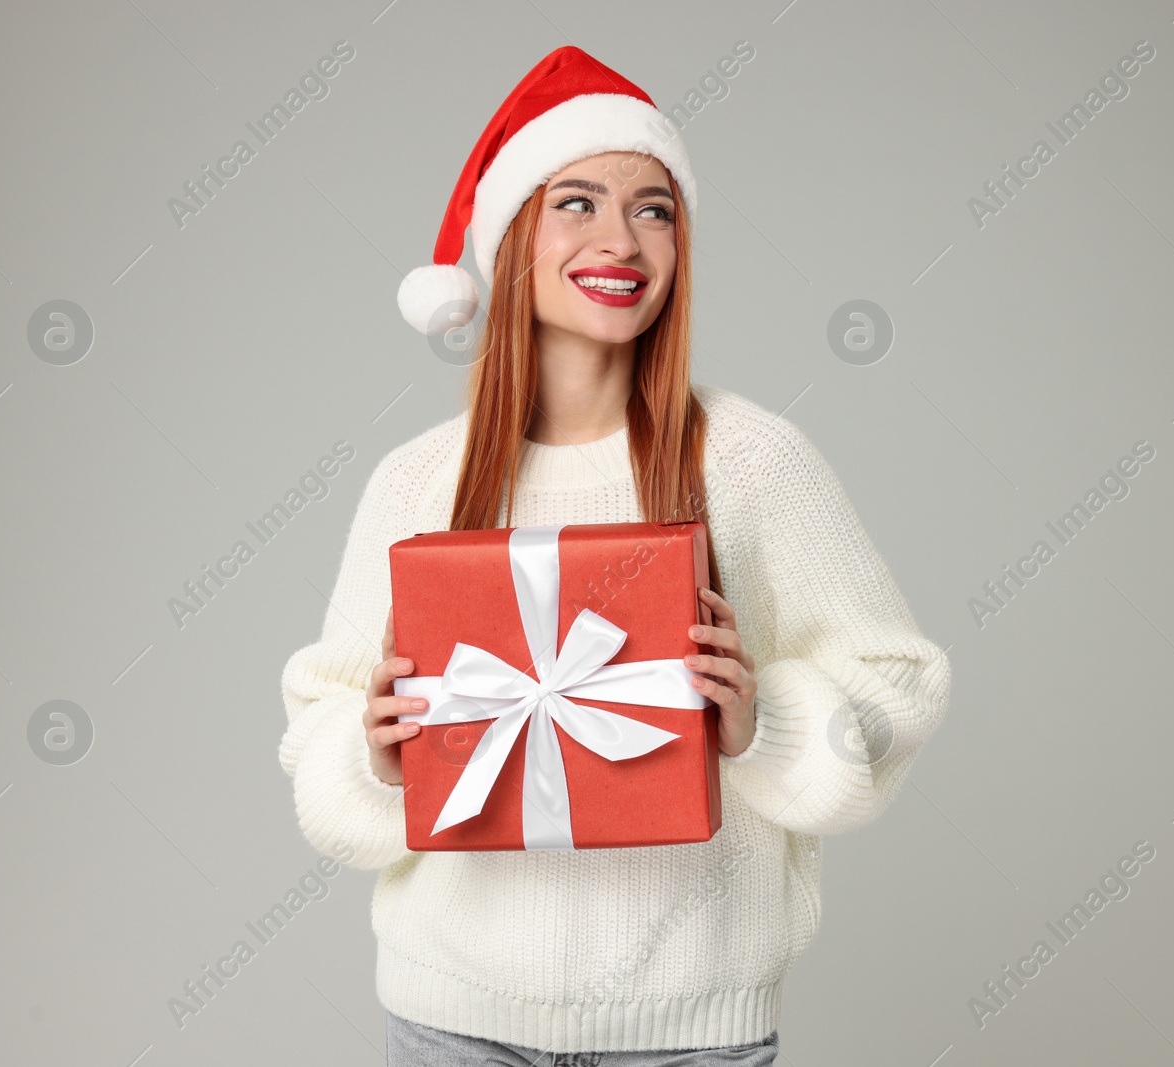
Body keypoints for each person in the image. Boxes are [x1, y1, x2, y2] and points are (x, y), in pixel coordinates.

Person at [277, 46, 952, 1066]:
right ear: (511, 239)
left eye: (655, 209)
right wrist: (372, 754)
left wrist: (764, 719)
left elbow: (898, 681)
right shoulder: (416, 482)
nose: (621, 239)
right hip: (451, 1024)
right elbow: (318, 723)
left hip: (691, 1035)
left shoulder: (752, 460)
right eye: (577, 203)